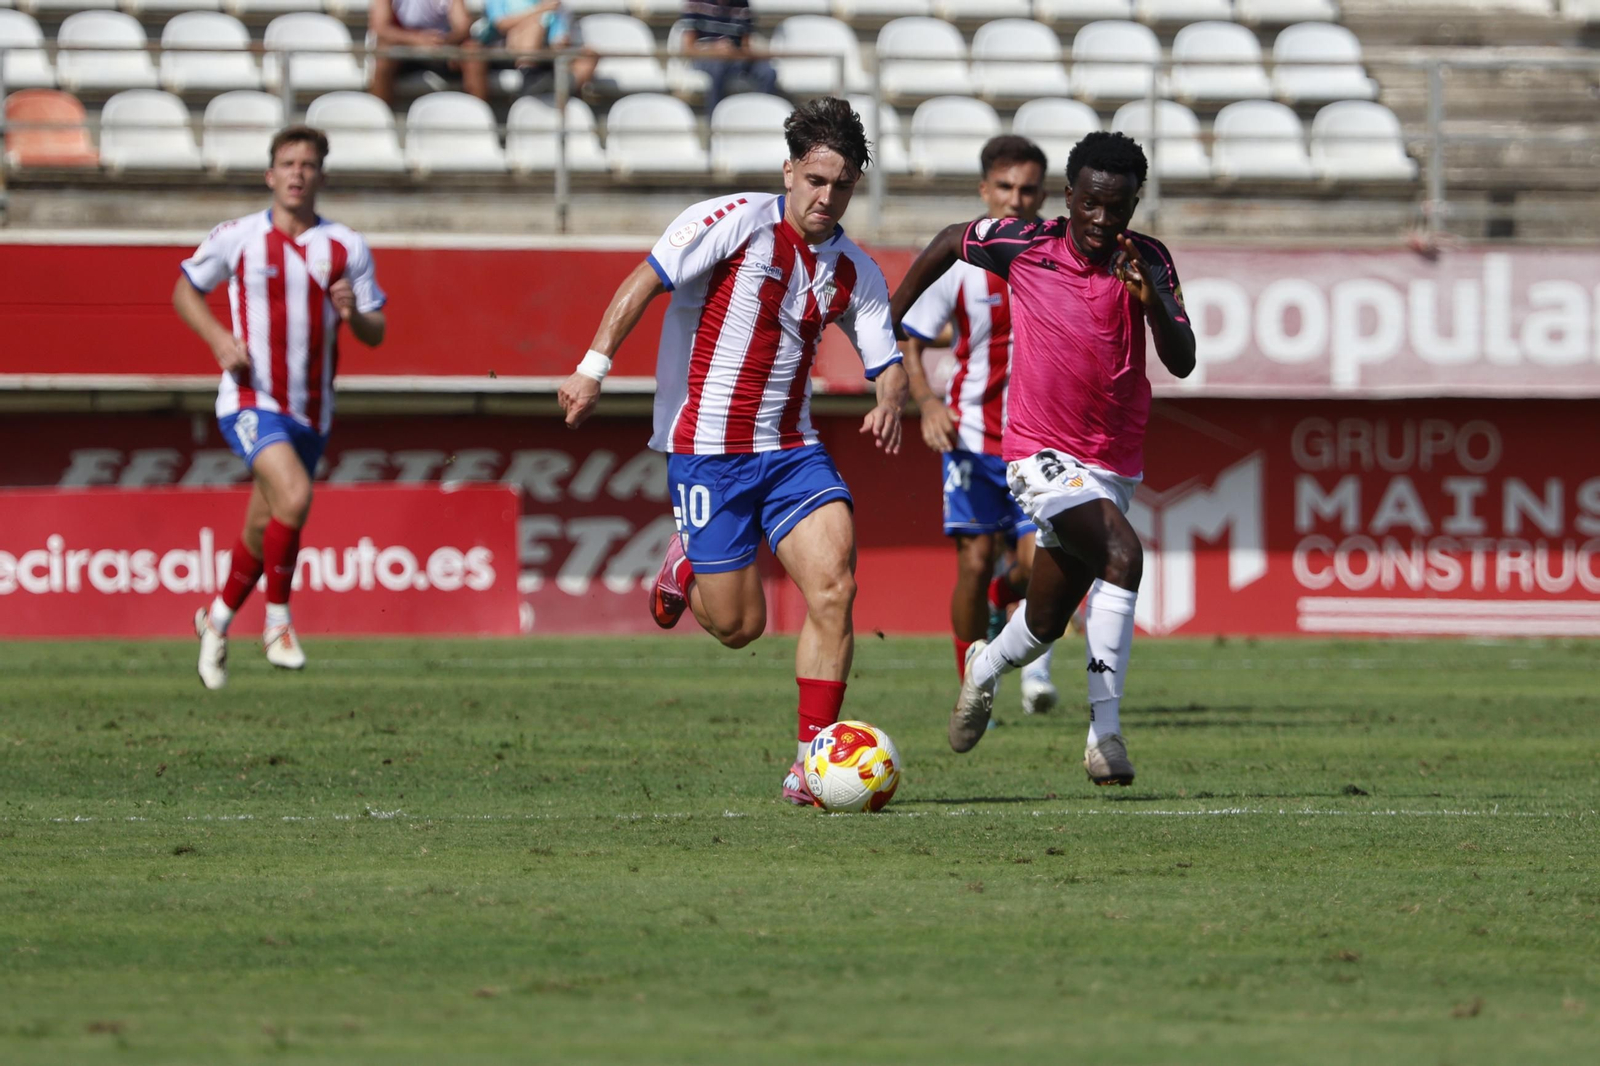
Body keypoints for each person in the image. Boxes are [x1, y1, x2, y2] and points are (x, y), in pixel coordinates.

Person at [557, 97, 906, 806]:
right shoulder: (732, 221)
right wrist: (591, 368)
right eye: (815, 180)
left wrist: (891, 396)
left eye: (841, 185)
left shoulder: (855, 270)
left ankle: (810, 766)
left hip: (792, 449)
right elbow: (642, 283)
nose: (827, 196)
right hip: (709, 449)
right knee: (740, 628)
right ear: (789, 171)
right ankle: (685, 560)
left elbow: (883, 354)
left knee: (835, 589)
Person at [889, 132, 1196, 787]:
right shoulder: (1026, 244)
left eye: (1117, 209)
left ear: (1134, 205)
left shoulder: (1149, 261)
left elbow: (1183, 358)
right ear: (1069, 197)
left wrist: (1155, 307)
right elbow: (950, 238)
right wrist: (888, 320)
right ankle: (1105, 739)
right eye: (1090, 205)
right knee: (1123, 554)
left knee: (1046, 620)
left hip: (1113, 463)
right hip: (1036, 452)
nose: (1101, 221)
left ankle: (982, 668)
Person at [174, 126, 388, 690]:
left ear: (321, 174)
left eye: (308, 164)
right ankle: (277, 621)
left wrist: (353, 314)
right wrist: (219, 338)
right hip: (250, 398)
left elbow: (376, 331)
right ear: (270, 175)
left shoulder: (346, 246)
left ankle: (215, 620)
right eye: (288, 163)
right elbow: (184, 289)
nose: (298, 173)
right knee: (294, 496)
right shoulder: (237, 236)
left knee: (264, 521)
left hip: (312, 410)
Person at [899, 134, 1060, 717]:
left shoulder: (1059, 253)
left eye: (1029, 190)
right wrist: (927, 401)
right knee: (972, 558)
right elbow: (910, 338)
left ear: (1044, 194)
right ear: (984, 190)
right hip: (971, 435)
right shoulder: (960, 261)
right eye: (1006, 188)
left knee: (1033, 566)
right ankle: (972, 680)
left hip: (1041, 441)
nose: (1017, 200)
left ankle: (1003, 599)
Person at [369, 0, 488, 107]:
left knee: (473, 51)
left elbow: (463, 26)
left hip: (442, 48)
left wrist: (441, 41)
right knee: (384, 54)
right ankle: (379, 122)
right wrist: (417, 40)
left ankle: (479, 121)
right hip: (403, 48)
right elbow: (380, 28)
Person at [680, 0, 778, 117]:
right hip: (706, 57)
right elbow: (688, 48)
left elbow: (745, 45)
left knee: (767, 72)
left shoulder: (742, 4)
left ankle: (763, 118)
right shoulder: (695, 3)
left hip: (735, 57)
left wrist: (749, 53)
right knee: (718, 68)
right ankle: (714, 124)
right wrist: (714, 49)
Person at [479, 0, 596, 93]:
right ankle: (529, 79)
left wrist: (562, 40)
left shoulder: (557, 5)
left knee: (590, 55)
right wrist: (540, 10)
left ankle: (559, 89)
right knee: (534, 27)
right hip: (507, 47)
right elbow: (501, 25)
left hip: (546, 51)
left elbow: (559, 38)